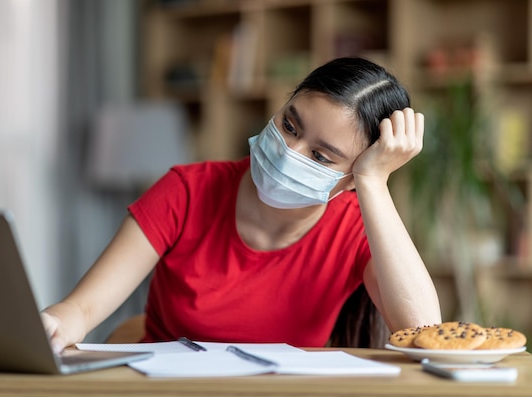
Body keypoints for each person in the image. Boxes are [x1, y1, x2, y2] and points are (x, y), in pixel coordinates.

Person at [41, 56, 442, 352]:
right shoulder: (186, 191)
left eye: (321, 157)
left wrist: (373, 181)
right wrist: (53, 324)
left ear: (350, 178)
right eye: (290, 124)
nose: (289, 150)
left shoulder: (356, 226)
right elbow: (82, 308)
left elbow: (425, 333)